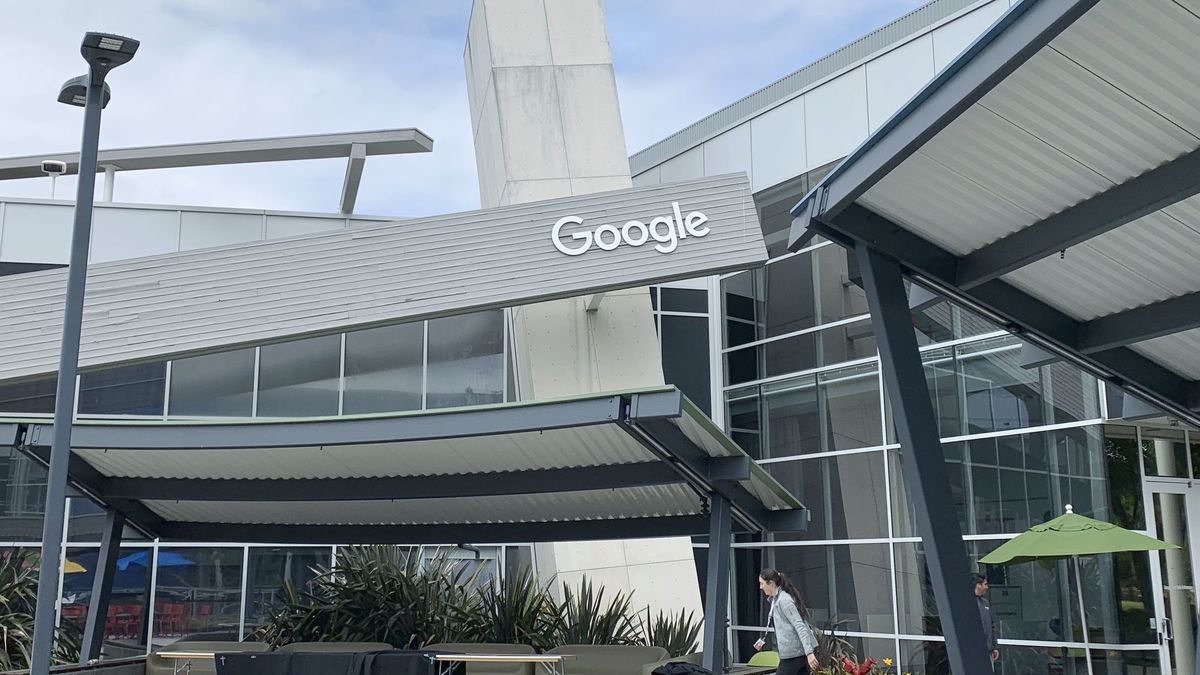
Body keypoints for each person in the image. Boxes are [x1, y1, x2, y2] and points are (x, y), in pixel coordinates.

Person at [757, 569, 819, 675]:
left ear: (771, 583)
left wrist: (809, 653)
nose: (760, 587)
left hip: (793, 655)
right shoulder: (776, 600)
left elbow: (800, 625)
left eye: (762, 583)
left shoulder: (784, 601)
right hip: (795, 654)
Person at [974, 573, 999, 667]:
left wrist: (994, 647)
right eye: (985, 584)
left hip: (988, 651)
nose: (987, 587)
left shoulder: (986, 603)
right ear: (978, 585)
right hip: (975, 651)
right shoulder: (968, 603)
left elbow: (992, 625)